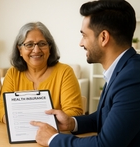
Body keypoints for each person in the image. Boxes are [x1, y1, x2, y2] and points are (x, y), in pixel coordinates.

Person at [30, 0, 140, 146]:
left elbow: (105, 145)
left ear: (103, 38)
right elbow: (105, 117)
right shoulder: (124, 69)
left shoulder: (132, 77)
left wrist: (52, 139)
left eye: (84, 35)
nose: (81, 43)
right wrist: (71, 123)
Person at [0, 21, 83, 123]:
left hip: (55, 135)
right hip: (20, 133)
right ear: (20, 50)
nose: (36, 50)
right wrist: (15, 121)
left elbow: (74, 112)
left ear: (50, 48)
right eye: (29, 45)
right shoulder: (12, 73)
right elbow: (2, 108)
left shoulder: (65, 72)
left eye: (42, 44)